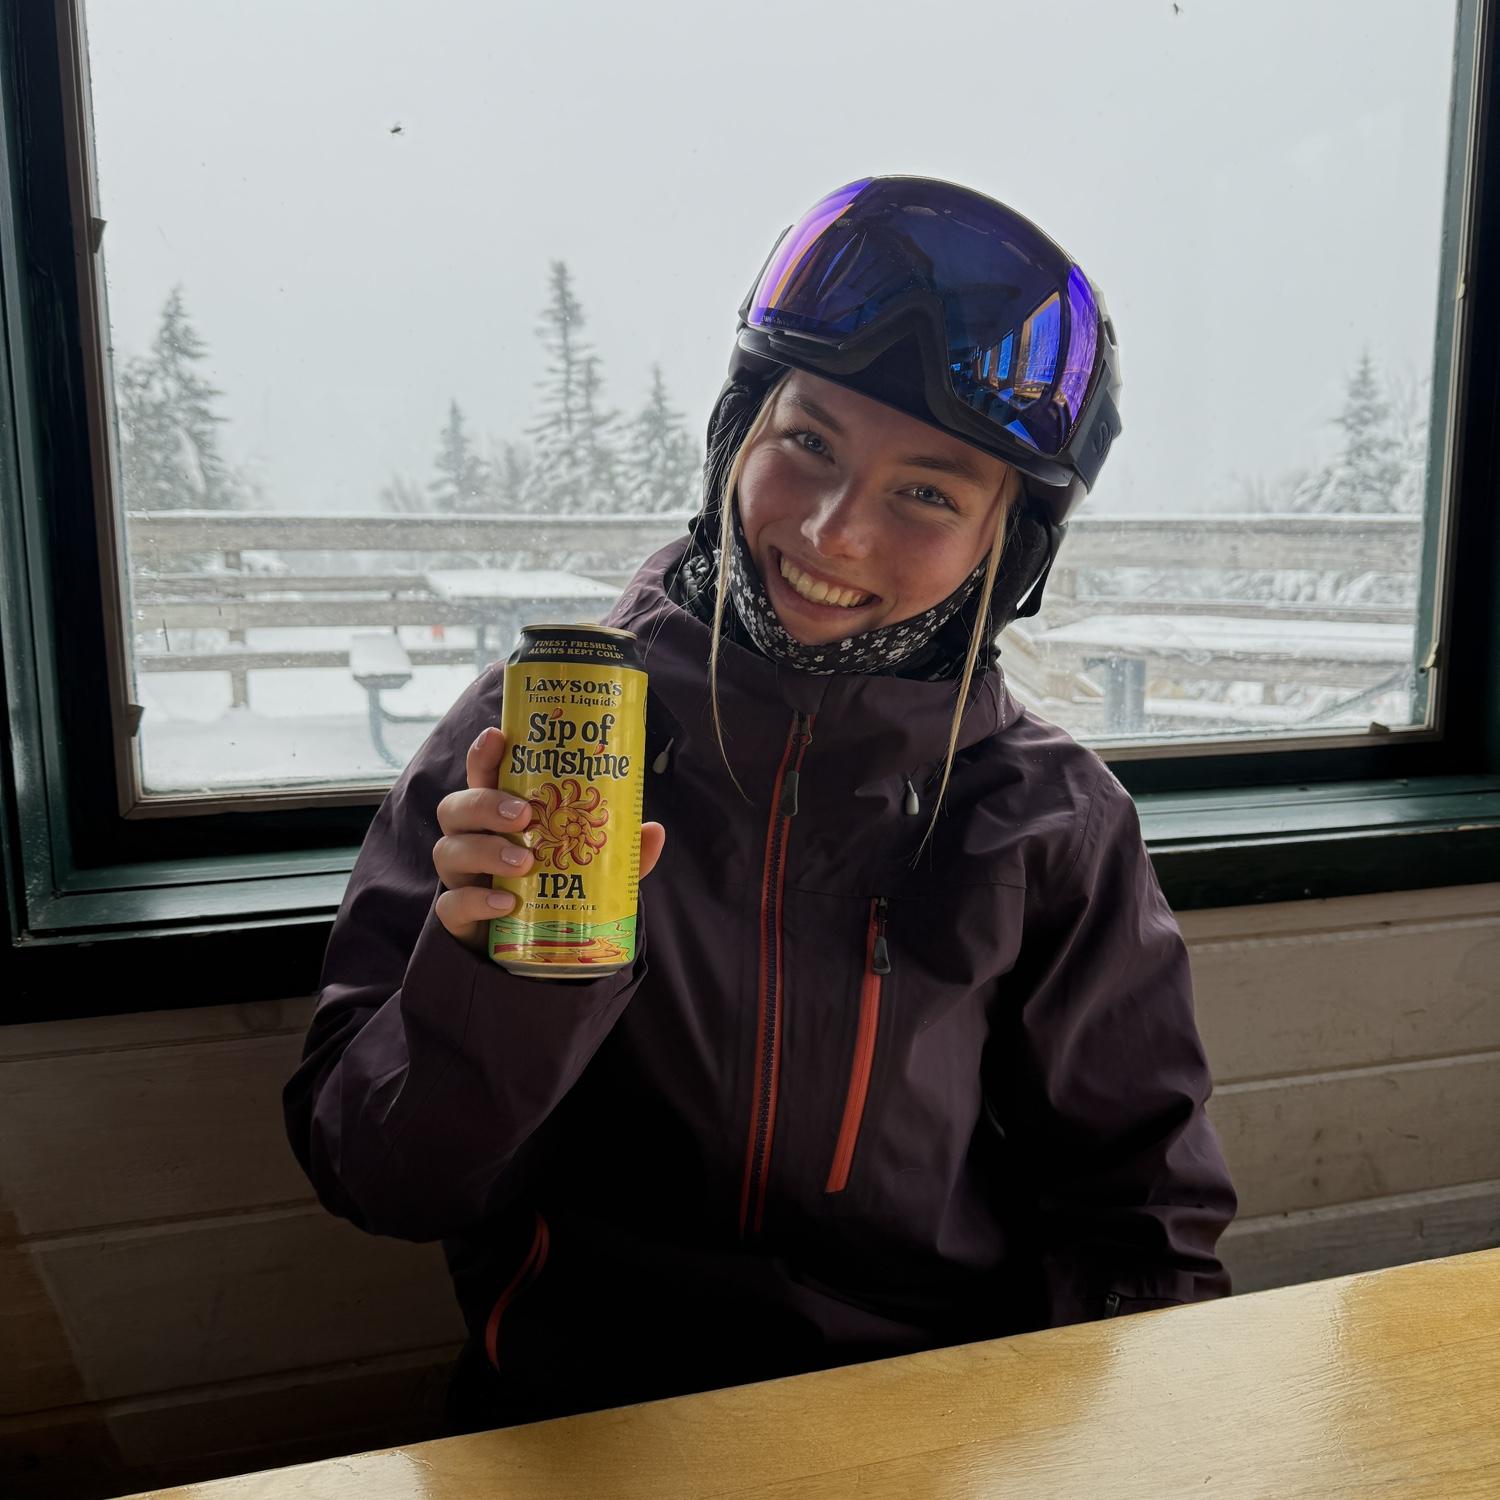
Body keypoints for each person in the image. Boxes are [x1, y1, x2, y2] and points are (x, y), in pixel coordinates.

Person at [285, 175, 1237, 1433]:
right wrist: (489, 978)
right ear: (738, 435)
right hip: (584, 1423)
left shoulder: (1049, 817)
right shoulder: (533, 738)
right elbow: (381, 1179)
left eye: (929, 492)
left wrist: (1114, 1443)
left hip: (930, 1424)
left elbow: (1144, 1219)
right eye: (809, 444)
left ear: (1007, 546)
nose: (834, 534)